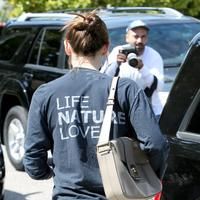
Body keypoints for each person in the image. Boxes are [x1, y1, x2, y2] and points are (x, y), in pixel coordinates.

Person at [23, 12, 169, 200]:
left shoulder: (46, 93)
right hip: (120, 194)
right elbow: (156, 144)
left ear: (67, 47)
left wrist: (51, 173)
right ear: (106, 48)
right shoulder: (126, 90)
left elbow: (33, 162)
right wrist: (148, 177)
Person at [101, 20, 164, 117]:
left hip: (149, 111)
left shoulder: (154, 55)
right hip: (122, 111)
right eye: (136, 37)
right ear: (127, 38)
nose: (139, 41)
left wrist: (142, 68)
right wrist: (116, 64)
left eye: (143, 37)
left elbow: (159, 87)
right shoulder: (117, 51)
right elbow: (103, 80)